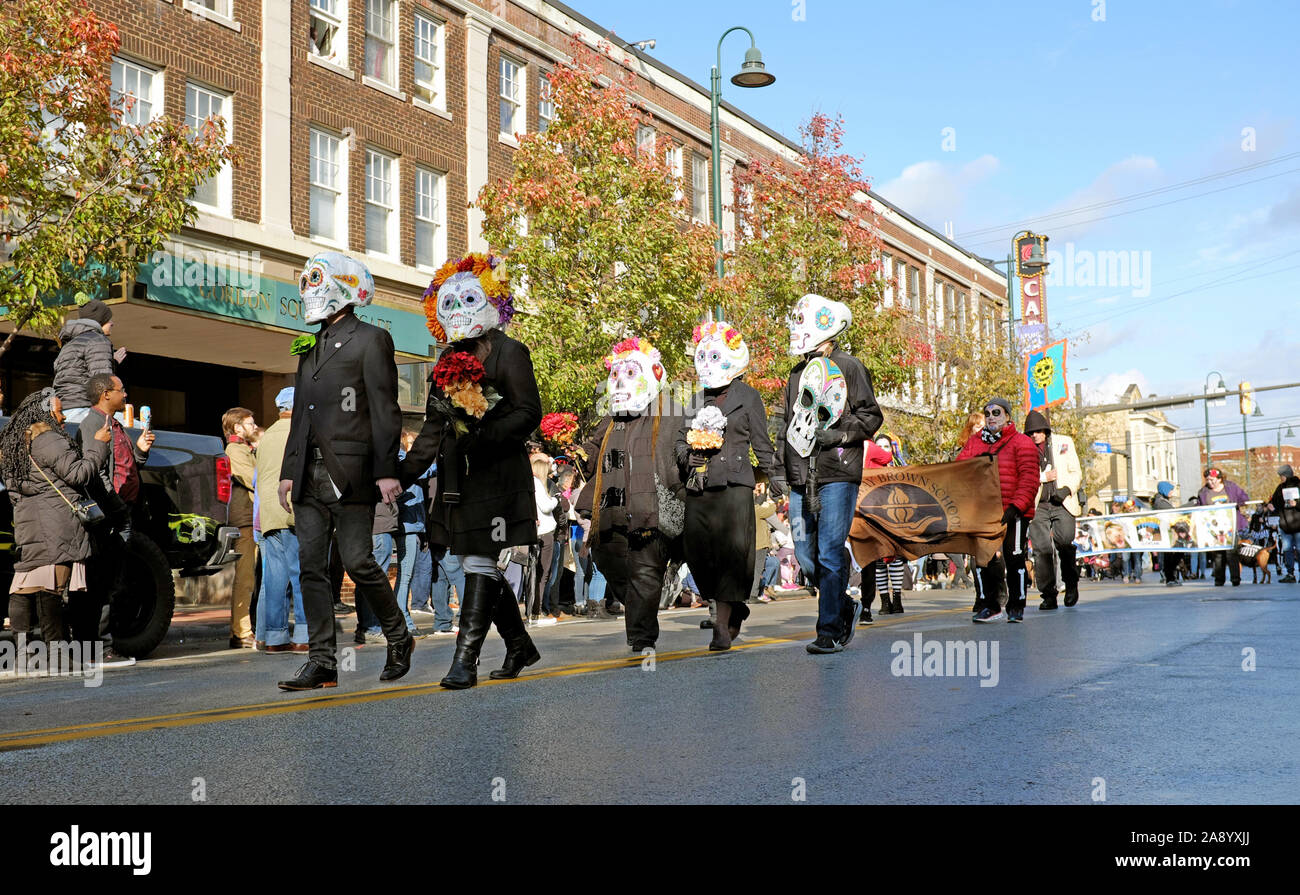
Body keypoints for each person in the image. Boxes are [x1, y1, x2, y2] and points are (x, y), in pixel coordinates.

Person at [400, 252, 542, 689]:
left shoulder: (510, 352)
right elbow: (432, 427)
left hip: (498, 476)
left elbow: (529, 412)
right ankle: (519, 644)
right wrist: (400, 474)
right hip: (458, 481)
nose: (460, 311)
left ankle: (466, 659)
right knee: (477, 562)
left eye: (468, 300)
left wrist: (484, 430)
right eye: (451, 304)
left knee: (480, 562)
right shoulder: (444, 362)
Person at [276, 252, 414, 691]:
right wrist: (288, 470)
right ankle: (323, 662)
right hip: (308, 476)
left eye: (317, 281)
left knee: (358, 560)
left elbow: (385, 408)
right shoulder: (309, 346)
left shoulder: (371, 339)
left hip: (351, 472)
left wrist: (387, 469)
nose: (309, 291)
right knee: (311, 567)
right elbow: (300, 415)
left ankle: (398, 635)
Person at [775, 295, 883, 654]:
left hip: (837, 473)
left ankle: (829, 630)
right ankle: (843, 605)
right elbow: (785, 424)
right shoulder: (795, 374)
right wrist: (778, 469)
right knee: (805, 554)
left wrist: (839, 434)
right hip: (799, 478)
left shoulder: (849, 366)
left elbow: (871, 416)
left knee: (830, 551)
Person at [674, 321, 784, 651]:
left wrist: (774, 474)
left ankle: (721, 626)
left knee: (732, 556)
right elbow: (680, 440)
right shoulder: (697, 399)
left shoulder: (748, 397)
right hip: (701, 486)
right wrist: (686, 457)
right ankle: (735, 605)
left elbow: (761, 442)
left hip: (735, 486)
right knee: (698, 553)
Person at [575, 337, 686, 654]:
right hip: (612, 511)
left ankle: (641, 635)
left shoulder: (671, 412)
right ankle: (640, 610)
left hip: (651, 508)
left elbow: (682, 447)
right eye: (616, 374)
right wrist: (583, 454)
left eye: (631, 373)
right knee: (610, 563)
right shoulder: (611, 419)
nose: (621, 381)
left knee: (644, 571)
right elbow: (595, 448)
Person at [0, 390, 123, 668]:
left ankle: (21, 652)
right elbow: (78, 474)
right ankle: (55, 654)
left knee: (23, 586)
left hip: (28, 524)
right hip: (56, 525)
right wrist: (97, 447)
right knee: (51, 591)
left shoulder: (13, 444)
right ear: (44, 413)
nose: (63, 416)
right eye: (58, 410)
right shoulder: (48, 440)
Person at [78, 373, 154, 659]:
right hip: (111, 515)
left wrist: (141, 452)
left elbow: (123, 465)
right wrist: (115, 506)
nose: (126, 395)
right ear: (105, 394)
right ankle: (102, 646)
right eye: (121, 390)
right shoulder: (93, 424)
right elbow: (93, 471)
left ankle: (106, 644)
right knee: (104, 581)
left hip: (124, 511)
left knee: (115, 580)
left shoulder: (114, 423)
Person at [956, 397, 1038, 623]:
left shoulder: (1022, 443)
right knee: (983, 560)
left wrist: (1016, 507)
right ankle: (988, 605)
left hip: (1013, 511)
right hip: (983, 512)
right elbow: (958, 470)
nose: (991, 417)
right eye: (988, 413)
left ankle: (1016, 605)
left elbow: (1030, 478)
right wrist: (973, 464)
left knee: (1014, 558)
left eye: (997, 412)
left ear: (1007, 416)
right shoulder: (974, 443)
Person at [255, 388, 307, 652]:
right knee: (302, 574)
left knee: (275, 577)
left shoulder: (266, 436)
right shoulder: (298, 431)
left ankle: (275, 638)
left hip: (268, 513)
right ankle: (304, 635)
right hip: (293, 511)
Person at [1023, 410, 1082, 610]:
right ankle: (1048, 594)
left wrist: (1066, 489)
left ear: (1046, 430)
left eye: (1038, 431)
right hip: (1038, 504)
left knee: (1065, 543)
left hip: (1062, 502)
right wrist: (1043, 477)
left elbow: (1076, 471)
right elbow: (1021, 475)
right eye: (1031, 432)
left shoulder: (1064, 442)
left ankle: (1071, 582)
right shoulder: (1023, 448)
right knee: (1041, 551)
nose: (1035, 435)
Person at [52, 300, 124, 425]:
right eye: (108, 319)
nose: (112, 323)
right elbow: (103, 384)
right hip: (85, 411)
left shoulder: (68, 345)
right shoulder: (98, 340)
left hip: (65, 412)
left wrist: (112, 362)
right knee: (138, 428)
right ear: (100, 321)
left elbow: (77, 375)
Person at [222, 407, 259, 648]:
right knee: (245, 578)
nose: (254, 426)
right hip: (245, 519)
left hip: (251, 518)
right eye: (250, 423)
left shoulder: (245, 449)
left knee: (252, 578)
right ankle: (242, 632)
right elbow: (253, 478)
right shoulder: (234, 450)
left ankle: (247, 629)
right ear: (237, 428)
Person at [862, 433, 905, 619]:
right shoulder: (868, 466)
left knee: (894, 556)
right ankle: (884, 599)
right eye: (878, 446)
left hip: (894, 515)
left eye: (886, 446)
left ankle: (897, 598)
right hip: (873, 515)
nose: (882, 450)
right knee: (878, 558)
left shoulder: (898, 467)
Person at [1197, 467, 1249, 587]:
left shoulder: (1230, 487)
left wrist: (1239, 503)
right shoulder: (1203, 492)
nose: (1210, 483)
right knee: (1218, 554)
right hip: (1214, 527)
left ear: (1220, 479)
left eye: (1213, 480)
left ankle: (1235, 578)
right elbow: (1199, 506)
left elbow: (1244, 497)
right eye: (1208, 480)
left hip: (1230, 526)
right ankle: (1219, 579)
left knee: (1232, 552)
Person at [529, 453, 560, 624]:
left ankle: (535, 610)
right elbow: (546, 506)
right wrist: (555, 499)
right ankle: (536, 612)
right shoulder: (537, 484)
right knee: (542, 574)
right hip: (545, 531)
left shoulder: (530, 484)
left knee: (537, 573)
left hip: (538, 531)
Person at [1266, 465, 1299, 583]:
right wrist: (1270, 506)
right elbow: (1273, 502)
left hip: (1296, 523)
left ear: (1285, 475)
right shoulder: (1280, 488)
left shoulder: (1298, 486)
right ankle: (1290, 573)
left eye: (1281, 476)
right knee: (1287, 549)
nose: (1280, 478)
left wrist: (1297, 504)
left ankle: (1291, 573)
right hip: (1285, 524)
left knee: (1295, 549)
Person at [1152, 481, 1183, 587]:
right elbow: (1172, 512)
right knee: (1170, 555)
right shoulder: (1160, 502)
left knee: (1174, 554)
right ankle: (1169, 576)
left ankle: (1171, 576)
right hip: (1166, 532)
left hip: (1169, 531)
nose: (1172, 492)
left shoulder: (1163, 500)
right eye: (1170, 490)